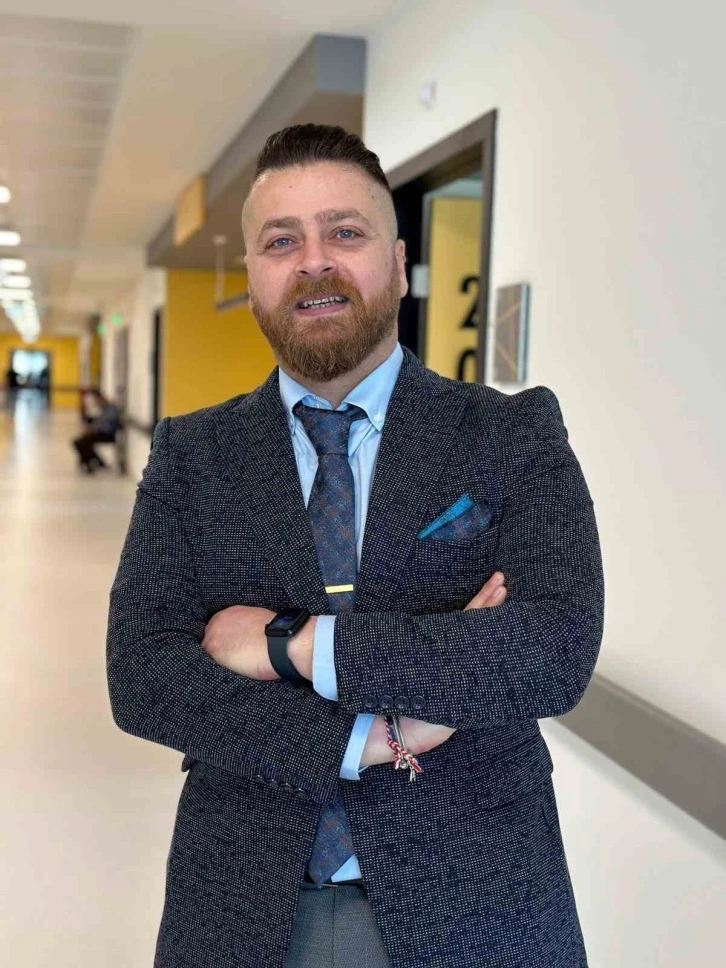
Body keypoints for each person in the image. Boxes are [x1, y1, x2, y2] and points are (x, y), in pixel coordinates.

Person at [107, 125, 604, 968]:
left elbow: (551, 650)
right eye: (281, 242)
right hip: (247, 901)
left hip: (474, 898)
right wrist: (370, 739)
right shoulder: (195, 456)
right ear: (253, 276)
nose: (314, 262)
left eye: (344, 232)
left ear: (399, 262)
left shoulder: (508, 434)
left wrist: (294, 646)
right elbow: (144, 675)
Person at [72, 390, 121, 473]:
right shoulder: (104, 409)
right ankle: (93, 463)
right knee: (79, 442)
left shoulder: (111, 409)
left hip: (107, 435)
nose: (97, 404)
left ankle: (95, 463)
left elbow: (106, 425)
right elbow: (98, 422)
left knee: (82, 443)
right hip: (100, 433)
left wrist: (92, 430)